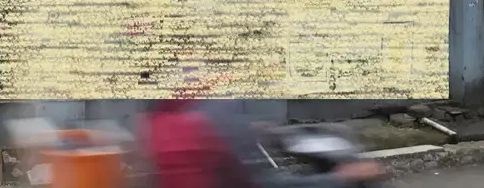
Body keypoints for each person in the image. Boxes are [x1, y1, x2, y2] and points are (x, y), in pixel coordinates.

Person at [139, 99, 387, 188]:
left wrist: (251, 131)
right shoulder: (217, 113)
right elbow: (266, 184)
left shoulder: (160, 116)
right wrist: (340, 178)